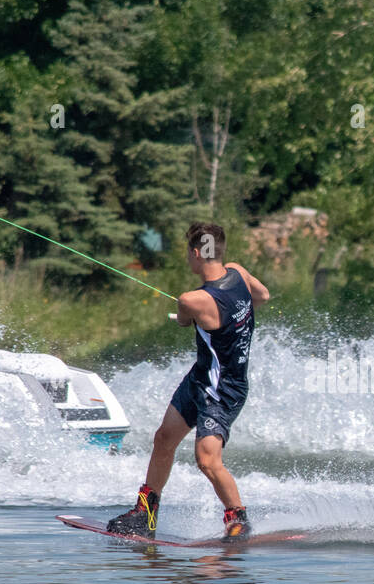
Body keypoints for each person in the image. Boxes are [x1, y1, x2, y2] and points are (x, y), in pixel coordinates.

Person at [109, 223, 270, 540]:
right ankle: (145, 512)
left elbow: (185, 320)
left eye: (188, 253)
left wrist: (191, 311)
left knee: (207, 460)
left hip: (223, 390)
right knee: (164, 438)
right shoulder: (237, 272)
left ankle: (238, 520)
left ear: (196, 254)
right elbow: (262, 296)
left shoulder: (192, 299)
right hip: (200, 378)